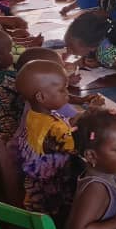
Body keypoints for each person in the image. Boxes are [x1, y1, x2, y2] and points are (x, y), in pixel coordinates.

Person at [14, 60, 79, 216]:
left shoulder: (32, 115)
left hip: (33, 187)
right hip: (52, 199)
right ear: (41, 97)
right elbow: (78, 150)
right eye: (62, 90)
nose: (67, 93)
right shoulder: (56, 128)